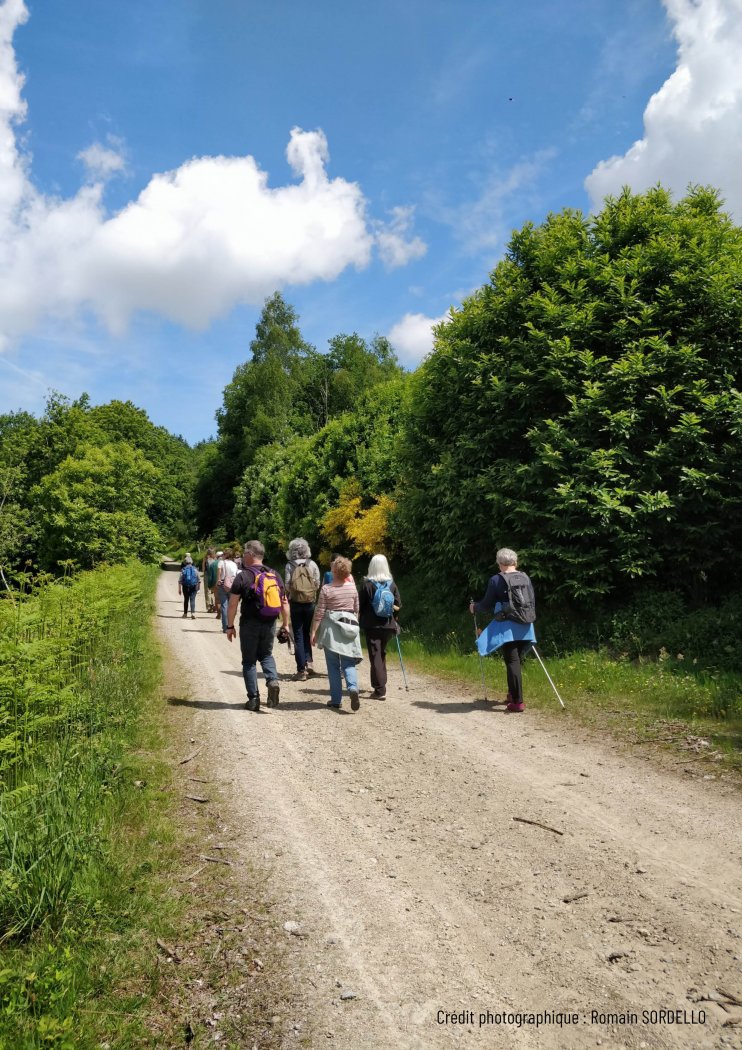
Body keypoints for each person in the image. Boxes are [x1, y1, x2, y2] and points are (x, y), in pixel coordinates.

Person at [225, 540, 289, 712]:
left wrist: (229, 626)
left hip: (249, 624)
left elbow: (232, 604)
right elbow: (284, 602)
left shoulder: (243, 576)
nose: (243, 556)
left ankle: (253, 699)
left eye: (245, 552)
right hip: (270, 623)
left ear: (251, 555)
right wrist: (285, 624)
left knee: (249, 662)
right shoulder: (274, 574)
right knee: (266, 655)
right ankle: (272, 680)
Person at [470, 547, 536, 713]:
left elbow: (486, 603)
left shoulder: (496, 580)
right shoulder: (525, 578)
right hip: (526, 623)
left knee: (512, 661)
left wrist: (474, 607)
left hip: (508, 625)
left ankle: (518, 702)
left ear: (500, 563)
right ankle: (511, 694)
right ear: (515, 562)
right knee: (516, 660)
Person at [310, 556, 362, 711]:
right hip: (349, 627)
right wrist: (353, 627)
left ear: (334, 571)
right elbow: (357, 609)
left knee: (333, 666)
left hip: (331, 630)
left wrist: (313, 631)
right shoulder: (352, 588)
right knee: (348, 663)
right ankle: (353, 688)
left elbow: (319, 612)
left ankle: (336, 699)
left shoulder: (327, 589)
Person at [359, 554, 401, 700]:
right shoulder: (392, 584)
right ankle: (380, 683)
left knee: (375, 655)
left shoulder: (367, 585)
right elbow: (398, 606)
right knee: (381, 653)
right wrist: (395, 621)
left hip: (372, 625)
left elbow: (360, 606)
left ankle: (380, 690)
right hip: (388, 625)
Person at [284, 537, 321, 681]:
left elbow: (287, 584)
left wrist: (296, 592)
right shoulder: (312, 564)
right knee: (307, 632)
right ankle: (309, 662)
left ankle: (301, 670)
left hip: (296, 603)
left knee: (298, 635)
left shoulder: (289, 565)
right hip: (310, 602)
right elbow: (317, 583)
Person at [216, 548, 238, 633]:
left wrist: (217, 581)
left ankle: (225, 627)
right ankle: (231, 624)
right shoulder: (234, 564)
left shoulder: (221, 562)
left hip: (223, 585)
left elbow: (219, 572)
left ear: (225, 555)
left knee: (224, 606)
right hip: (232, 586)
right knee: (232, 606)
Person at [178, 555, 200, 619]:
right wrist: (198, 588)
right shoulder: (195, 569)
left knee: (186, 600)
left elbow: (180, 581)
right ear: (191, 562)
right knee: (192, 600)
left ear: (185, 562)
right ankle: (193, 613)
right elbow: (199, 580)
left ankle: (185, 614)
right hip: (194, 586)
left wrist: (179, 589)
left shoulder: (183, 570)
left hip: (185, 586)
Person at [203, 547, 217, 612]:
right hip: (214, 575)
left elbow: (203, 568)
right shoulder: (215, 559)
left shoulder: (205, 558)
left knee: (207, 591)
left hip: (207, 575)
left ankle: (209, 606)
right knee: (214, 590)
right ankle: (214, 605)